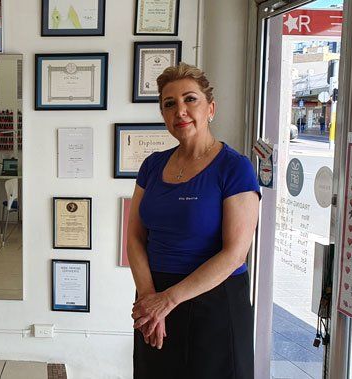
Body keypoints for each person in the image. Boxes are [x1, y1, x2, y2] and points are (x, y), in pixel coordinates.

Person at [128, 63, 260, 379]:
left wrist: (166, 301)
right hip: (154, 295)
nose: (180, 110)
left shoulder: (235, 168)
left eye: (191, 99)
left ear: (210, 108)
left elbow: (235, 254)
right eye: (169, 103)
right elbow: (134, 236)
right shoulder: (151, 165)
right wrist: (148, 297)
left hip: (214, 300)